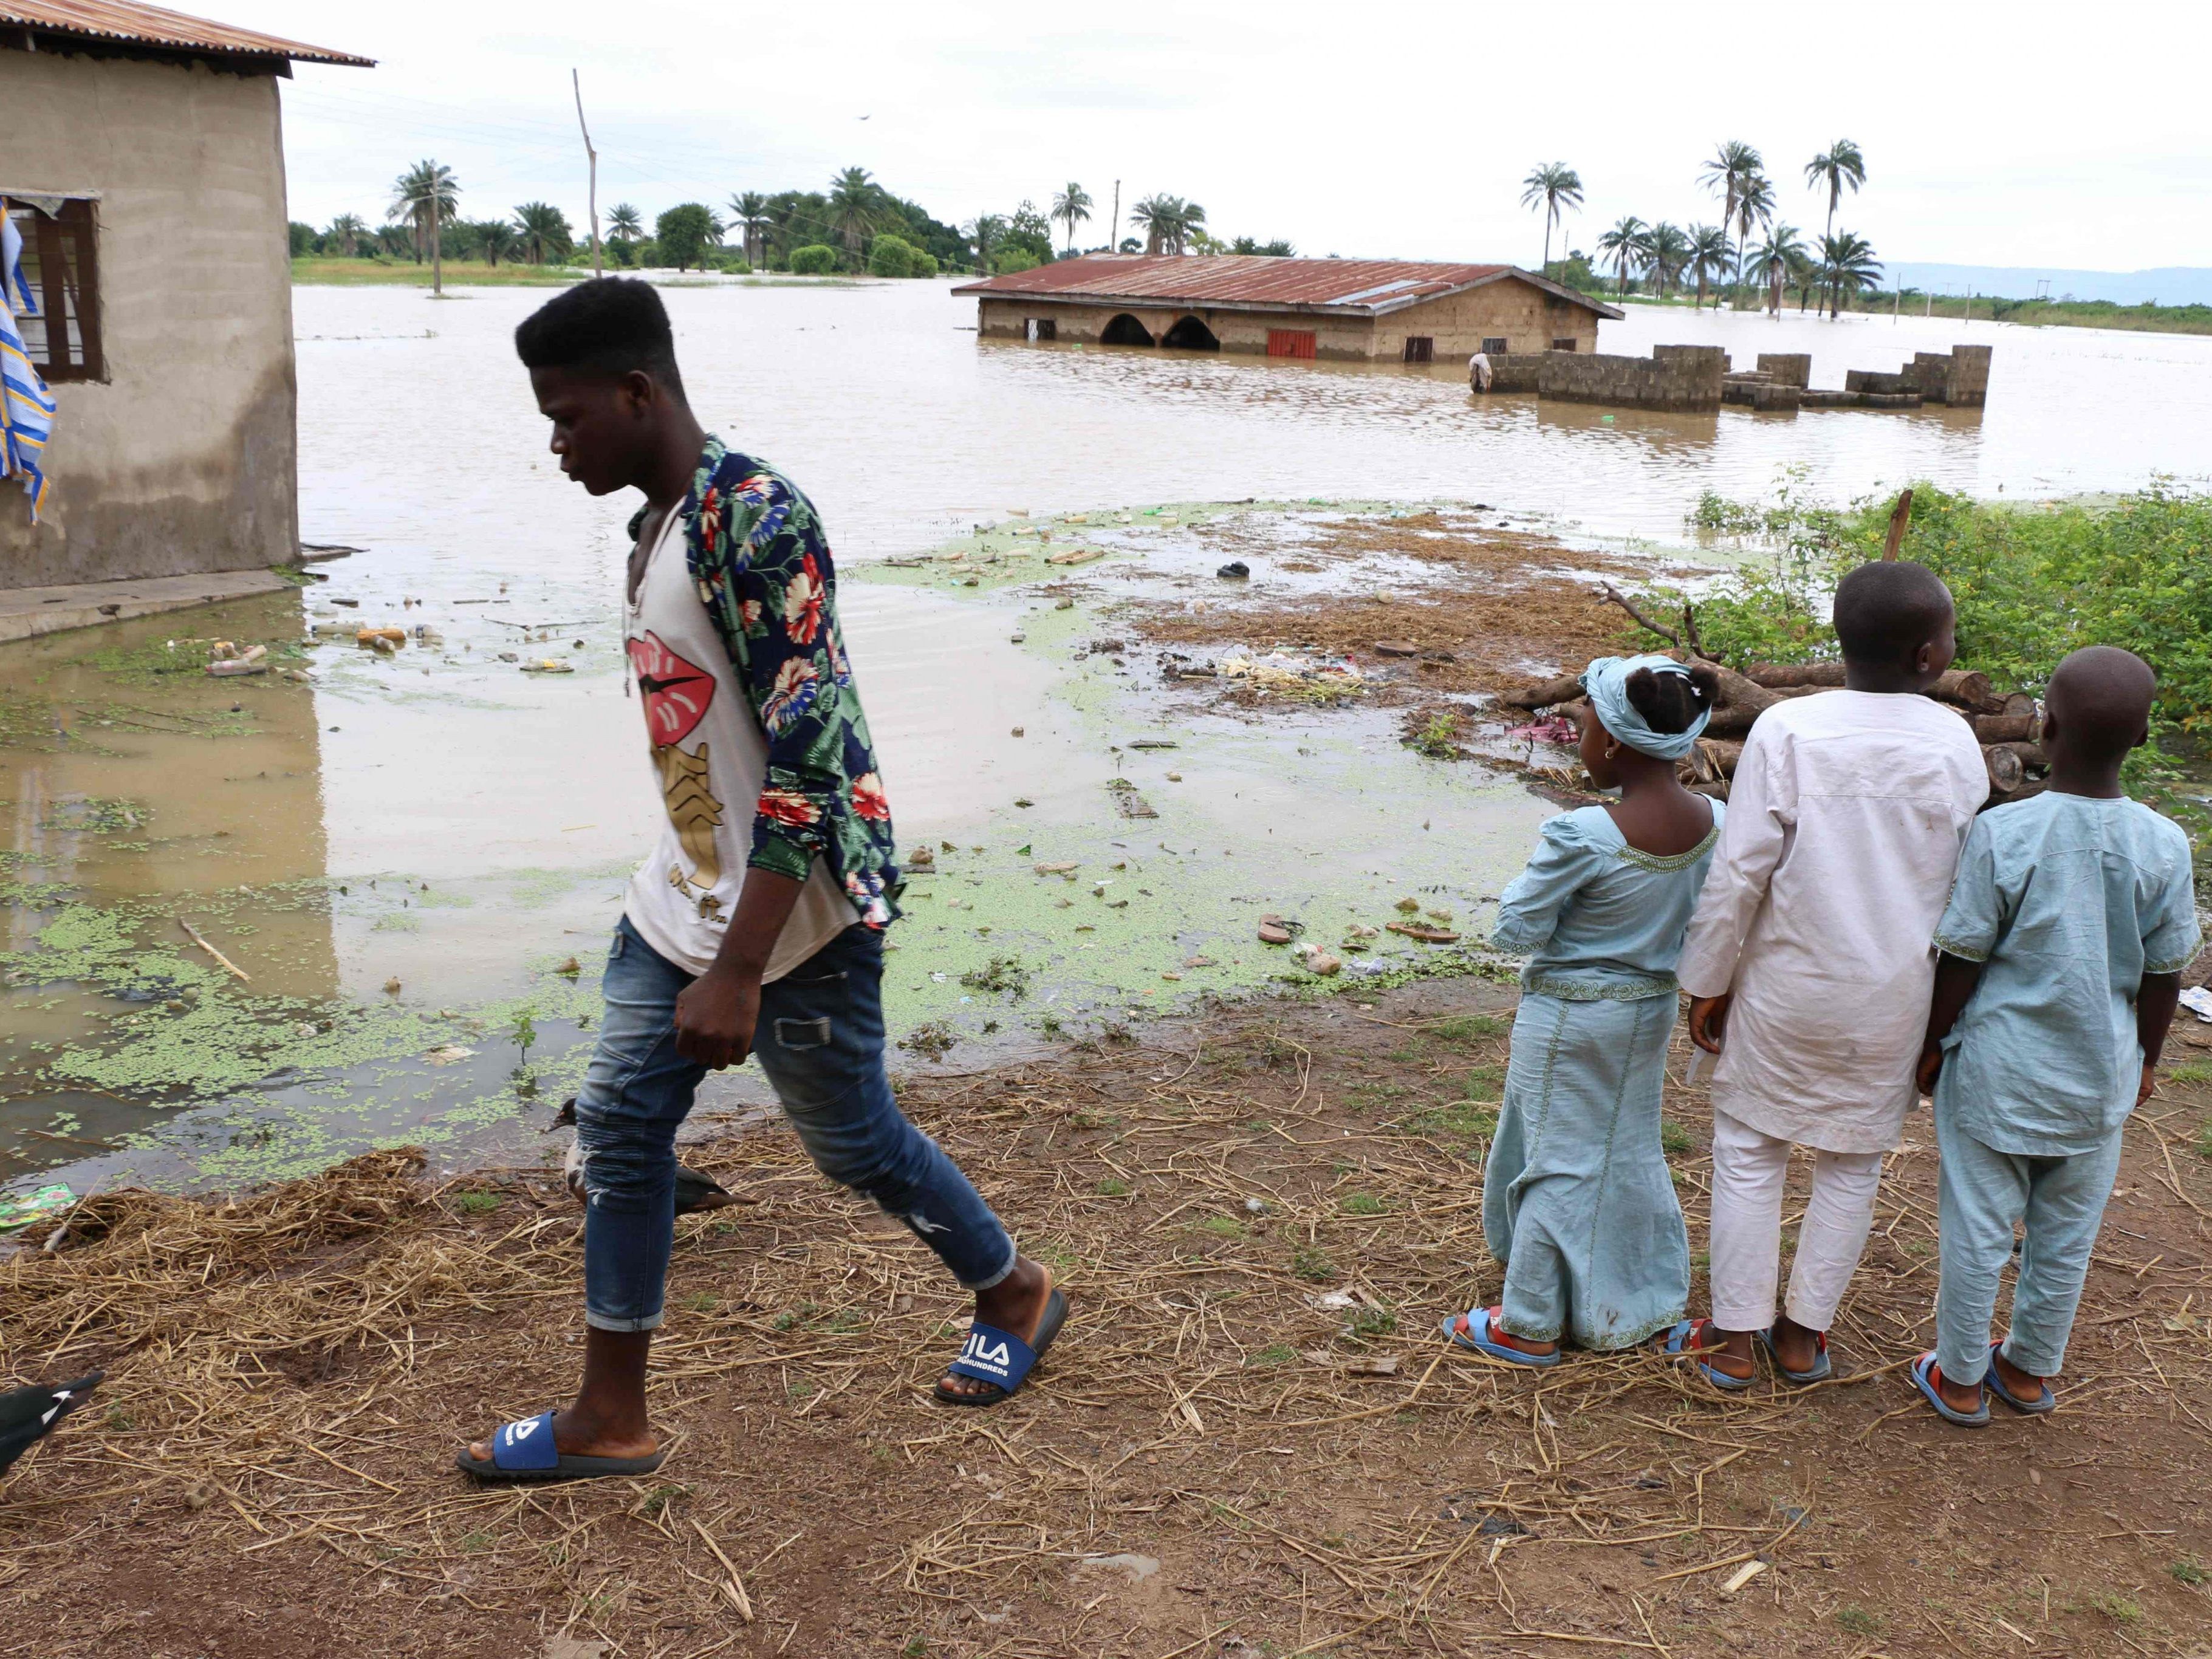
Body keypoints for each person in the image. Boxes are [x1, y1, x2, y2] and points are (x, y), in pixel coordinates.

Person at [459, 279, 1065, 1482]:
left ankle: (1013, 1292)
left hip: (794, 917)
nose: (555, 442)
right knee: (624, 1134)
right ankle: (608, 1418)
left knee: (852, 1145)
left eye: (568, 414)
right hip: (681, 893)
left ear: (638, 394)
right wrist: (701, 920)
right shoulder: (651, 528)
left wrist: (739, 967)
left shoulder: (758, 518)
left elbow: (810, 755)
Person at [1672, 563, 1988, 1389]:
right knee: (1853, 1163)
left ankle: (1734, 1337)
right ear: (1929, 655)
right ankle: (1805, 1332)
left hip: (1787, 986)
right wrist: (1946, 1017)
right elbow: (1963, 885)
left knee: (1748, 1147)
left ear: (1838, 642)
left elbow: (1740, 870)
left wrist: (1709, 976)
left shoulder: (1789, 730)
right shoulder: (1955, 741)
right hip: (1893, 995)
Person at [1911, 647, 2197, 1425]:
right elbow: (2165, 972)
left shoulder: (2005, 832)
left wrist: (1932, 1043)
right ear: (2141, 739)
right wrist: (2145, 1058)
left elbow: (1961, 957)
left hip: (1997, 1071)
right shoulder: (2163, 843)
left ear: (2044, 724)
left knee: (1975, 1228)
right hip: (2096, 1075)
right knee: (2065, 1233)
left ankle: (1961, 1377)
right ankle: (2030, 1370)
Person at [1443, 656, 1724, 1363]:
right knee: (1624, 1148)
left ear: (1617, 745)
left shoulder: (1583, 835)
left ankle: (1530, 1320)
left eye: (1586, 725)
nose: (1581, 736)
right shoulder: (1717, 823)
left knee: (1557, 1158)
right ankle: (1642, 1299)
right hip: (1648, 1014)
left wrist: (1524, 888)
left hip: (1568, 1017)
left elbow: (1517, 928)